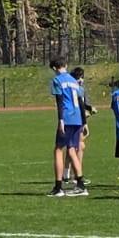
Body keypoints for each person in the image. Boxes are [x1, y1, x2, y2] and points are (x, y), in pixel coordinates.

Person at [48, 57, 85, 196]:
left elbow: (60, 101)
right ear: (66, 65)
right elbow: (80, 101)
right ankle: (81, 185)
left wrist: (61, 120)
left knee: (58, 149)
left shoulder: (57, 80)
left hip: (67, 117)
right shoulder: (74, 81)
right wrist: (84, 122)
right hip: (77, 117)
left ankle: (58, 187)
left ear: (54, 68)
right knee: (72, 150)